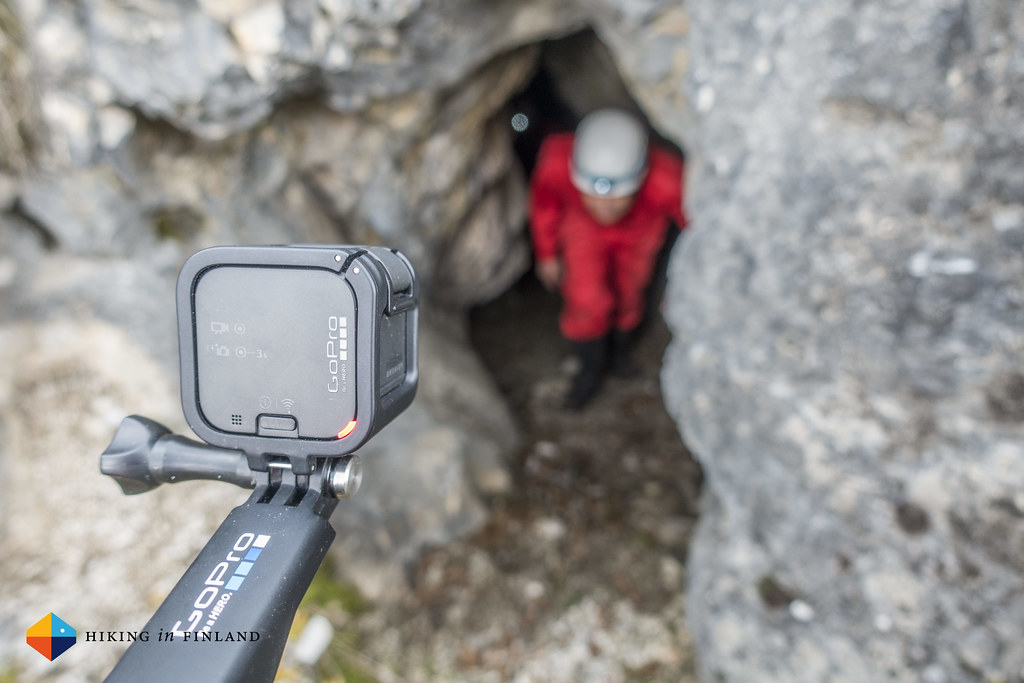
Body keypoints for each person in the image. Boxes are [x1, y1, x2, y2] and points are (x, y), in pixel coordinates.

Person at [528, 108, 687, 409]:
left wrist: (680, 285)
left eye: (616, 197)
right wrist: (547, 254)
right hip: (581, 227)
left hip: (641, 230)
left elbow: (695, 229)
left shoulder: (667, 179)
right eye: (595, 194)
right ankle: (589, 371)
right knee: (587, 299)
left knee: (630, 295)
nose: (604, 207)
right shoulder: (556, 162)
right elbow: (545, 205)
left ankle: (618, 356)